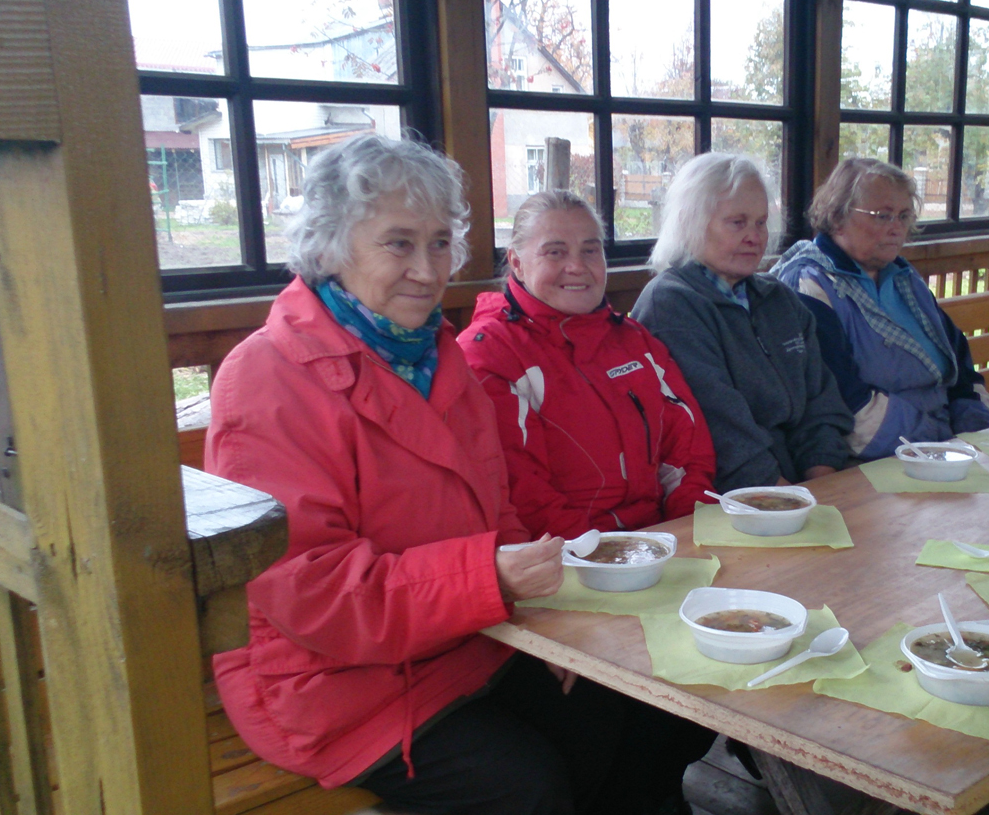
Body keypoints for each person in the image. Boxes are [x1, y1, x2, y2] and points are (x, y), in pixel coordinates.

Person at [206, 135, 709, 815]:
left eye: (440, 243)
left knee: (621, 715)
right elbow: (312, 594)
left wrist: (539, 620)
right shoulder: (267, 377)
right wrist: (490, 580)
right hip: (334, 681)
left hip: (466, 639)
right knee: (525, 786)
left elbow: (495, 508)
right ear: (330, 245)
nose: (427, 269)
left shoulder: (433, 355)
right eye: (399, 243)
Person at [458, 191, 717, 537]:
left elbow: (688, 449)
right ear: (517, 263)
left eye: (590, 250)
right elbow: (523, 492)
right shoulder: (490, 354)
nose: (577, 266)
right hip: (566, 554)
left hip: (662, 541)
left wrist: (688, 531)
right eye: (555, 252)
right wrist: (605, 554)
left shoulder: (634, 341)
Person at [630, 153, 854, 492]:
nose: (754, 236)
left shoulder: (778, 298)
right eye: (737, 222)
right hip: (731, 496)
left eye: (760, 223)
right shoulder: (671, 304)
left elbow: (821, 404)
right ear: (691, 223)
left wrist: (824, 486)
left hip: (804, 486)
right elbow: (721, 431)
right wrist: (790, 499)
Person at [769, 158, 989, 460]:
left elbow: (959, 366)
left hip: (945, 446)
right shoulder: (809, 284)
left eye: (904, 216)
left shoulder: (904, 277)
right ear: (837, 217)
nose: (896, 228)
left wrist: (974, 433)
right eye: (883, 216)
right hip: (874, 456)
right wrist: (941, 441)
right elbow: (844, 402)